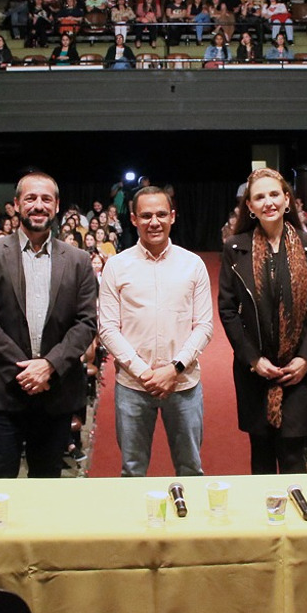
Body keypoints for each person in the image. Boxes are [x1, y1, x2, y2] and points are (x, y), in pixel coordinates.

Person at [0, 169, 98, 479]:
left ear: (56, 206)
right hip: (3, 391)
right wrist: (27, 369)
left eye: (46, 199)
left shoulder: (78, 260)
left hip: (56, 393)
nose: (38, 205)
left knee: (46, 492)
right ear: (16, 204)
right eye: (30, 198)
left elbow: (86, 323)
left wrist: (49, 366)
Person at [218, 169, 307, 475]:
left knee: (294, 455)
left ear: (286, 200)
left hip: (298, 371)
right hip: (254, 370)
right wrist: (253, 359)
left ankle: (297, 521)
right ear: (250, 207)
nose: (267, 202)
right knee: (262, 456)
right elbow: (227, 310)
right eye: (259, 197)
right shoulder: (235, 247)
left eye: (273, 194)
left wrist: (306, 359)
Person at [99, 186, 213, 477]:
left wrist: (172, 369)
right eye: (146, 215)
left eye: (161, 214)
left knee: (191, 469)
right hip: (134, 386)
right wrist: (144, 372)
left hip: (183, 383)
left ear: (172, 217)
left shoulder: (193, 264)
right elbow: (108, 329)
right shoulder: (117, 265)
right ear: (134, 219)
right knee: (132, 471)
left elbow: (204, 326)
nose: (154, 222)